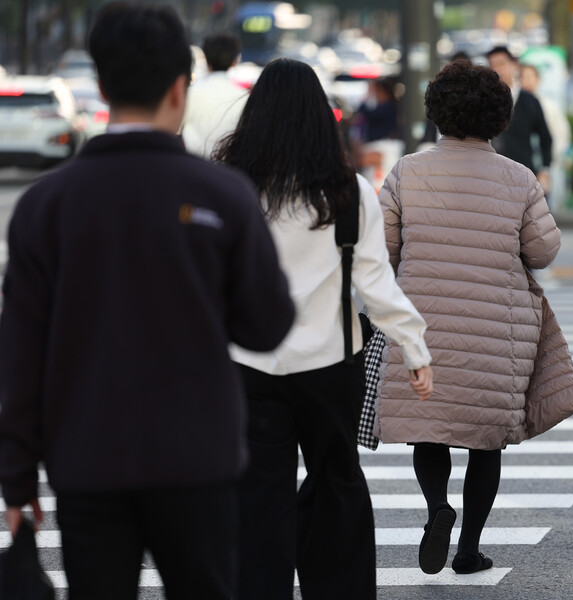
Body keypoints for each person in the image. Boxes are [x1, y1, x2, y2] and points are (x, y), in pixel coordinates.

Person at [0, 3, 296, 598]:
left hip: (86, 455)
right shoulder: (222, 193)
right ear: (180, 87)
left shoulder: (47, 204)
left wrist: (15, 475)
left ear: (103, 86)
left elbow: (19, 353)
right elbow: (267, 325)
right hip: (199, 455)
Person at [214, 58, 434, 600]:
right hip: (331, 364)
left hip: (247, 364)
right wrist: (414, 347)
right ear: (320, 118)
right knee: (337, 482)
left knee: (257, 494)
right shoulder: (347, 191)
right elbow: (375, 283)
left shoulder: (229, 186)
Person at [375, 60, 561, 576]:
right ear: (498, 118)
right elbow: (542, 250)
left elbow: (382, 248)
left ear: (437, 112)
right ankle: (468, 549)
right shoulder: (518, 178)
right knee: (485, 440)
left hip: (424, 328)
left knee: (429, 431)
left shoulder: (408, 172)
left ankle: (437, 508)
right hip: (492, 332)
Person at [486, 45, 553, 190]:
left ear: (514, 65)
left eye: (502, 64)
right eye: (492, 65)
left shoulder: (530, 101)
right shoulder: (484, 101)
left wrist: (545, 168)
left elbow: (545, 137)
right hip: (491, 177)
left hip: (524, 175)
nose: (498, 70)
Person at [182, 32, 247, 158]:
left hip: (193, 166)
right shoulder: (245, 98)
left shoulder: (189, 93)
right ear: (235, 61)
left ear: (206, 59)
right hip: (229, 170)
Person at [520, 63, 572, 209]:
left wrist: (548, 162)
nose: (527, 81)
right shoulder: (513, 105)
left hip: (545, 166)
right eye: (524, 77)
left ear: (538, 80)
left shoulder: (549, 106)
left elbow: (561, 135)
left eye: (531, 77)